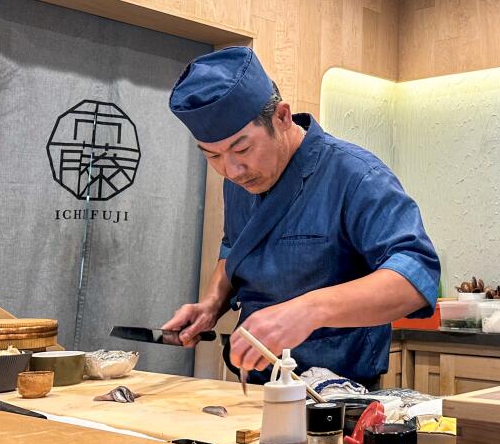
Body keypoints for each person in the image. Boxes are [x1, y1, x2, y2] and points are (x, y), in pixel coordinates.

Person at [162, 47, 440, 388]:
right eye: (213, 156)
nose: (231, 170)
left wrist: (307, 311)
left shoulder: (355, 175)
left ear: (281, 117)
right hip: (253, 384)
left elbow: (416, 274)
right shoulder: (239, 182)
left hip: (338, 394)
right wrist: (211, 305)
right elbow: (234, 248)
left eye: (242, 149)